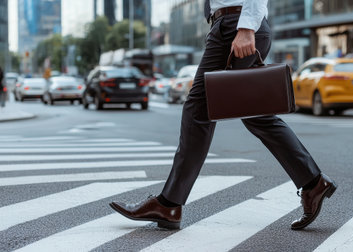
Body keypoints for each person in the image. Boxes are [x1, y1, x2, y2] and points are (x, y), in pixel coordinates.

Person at [110, 0, 337, 230]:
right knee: (254, 114)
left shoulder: (242, 25)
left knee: (197, 109)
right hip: (227, 25)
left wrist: (247, 27)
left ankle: (169, 203)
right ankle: (313, 182)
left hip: (235, 25)